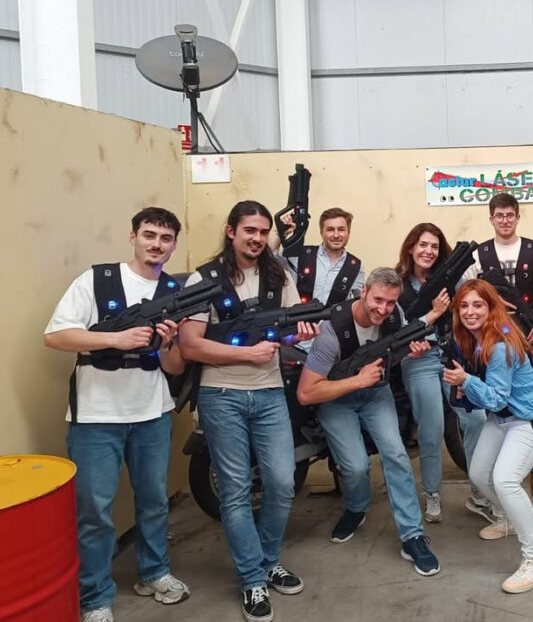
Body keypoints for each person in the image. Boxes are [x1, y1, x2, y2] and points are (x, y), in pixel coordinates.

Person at [44, 208, 191, 622]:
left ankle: (154, 572)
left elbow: (175, 367)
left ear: (174, 245)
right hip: (96, 414)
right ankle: (95, 596)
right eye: (149, 235)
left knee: (154, 501)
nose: (156, 244)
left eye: (165, 238)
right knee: (94, 510)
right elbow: (55, 335)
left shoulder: (173, 291)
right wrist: (116, 338)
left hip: (152, 410)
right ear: (133, 237)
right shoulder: (97, 280)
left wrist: (168, 342)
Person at [179, 201, 314, 622]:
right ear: (231, 231)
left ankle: (269, 560)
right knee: (236, 490)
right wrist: (246, 354)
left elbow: (286, 330)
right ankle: (252, 578)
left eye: (263, 231)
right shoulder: (205, 279)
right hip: (221, 395)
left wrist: (299, 333)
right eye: (249, 230)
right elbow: (190, 344)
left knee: (282, 482)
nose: (257, 238)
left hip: (270, 393)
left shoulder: (278, 274)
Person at [296, 267, 442, 577]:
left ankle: (412, 535)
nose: (383, 309)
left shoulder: (394, 316)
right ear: (363, 291)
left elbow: (391, 353)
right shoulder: (332, 331)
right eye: (378, 300)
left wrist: (411, 353)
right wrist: (357, 381)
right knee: (355, 466)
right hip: (335, 398)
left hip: (376, 394)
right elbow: (306, 393)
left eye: (390, 302)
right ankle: (356, 508)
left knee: (396, 455)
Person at [443, 279, 533, 594]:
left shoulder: (500, 344)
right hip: (503, 417)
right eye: (464, 306)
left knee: (505, 480)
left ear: (491, 307)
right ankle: (508, 518)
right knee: (479, 473)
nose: (470, 312)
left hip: (530, 417)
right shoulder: (474, 338)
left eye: (478, 305)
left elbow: (494, 398)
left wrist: (466, 381)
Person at [463, 193, 533, 501]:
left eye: (510, 215)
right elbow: (466, 292)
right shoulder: (478, 255)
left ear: (518, 217)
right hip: (493, 337)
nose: (504, 220)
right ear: (491, 219)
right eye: (499, 215)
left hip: (530, 334)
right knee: (495, 402)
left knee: (531, 401)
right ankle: (502, 465)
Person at [395, 223, 486, 523]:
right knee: (431, 428)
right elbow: (394, 328)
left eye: (434, 246)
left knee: (476, 418)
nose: (428, 251)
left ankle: (480, 489)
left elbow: (471, 308)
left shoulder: (451, 279)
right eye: (423, 245)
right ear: (411, 247)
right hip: (417, 360)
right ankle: (432, 492)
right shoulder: (398, 284)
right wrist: (429, 317)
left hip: (451, 355)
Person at [268, 206, 364, 306]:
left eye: (341, 229)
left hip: (336, 317)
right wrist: (280, 232)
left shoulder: (356, 266)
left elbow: (360, 303)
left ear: (348, 232)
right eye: (330, 230)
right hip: (298, 315)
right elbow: (269, 258)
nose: (336, 235)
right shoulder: (300, 255)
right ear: (321, 232)